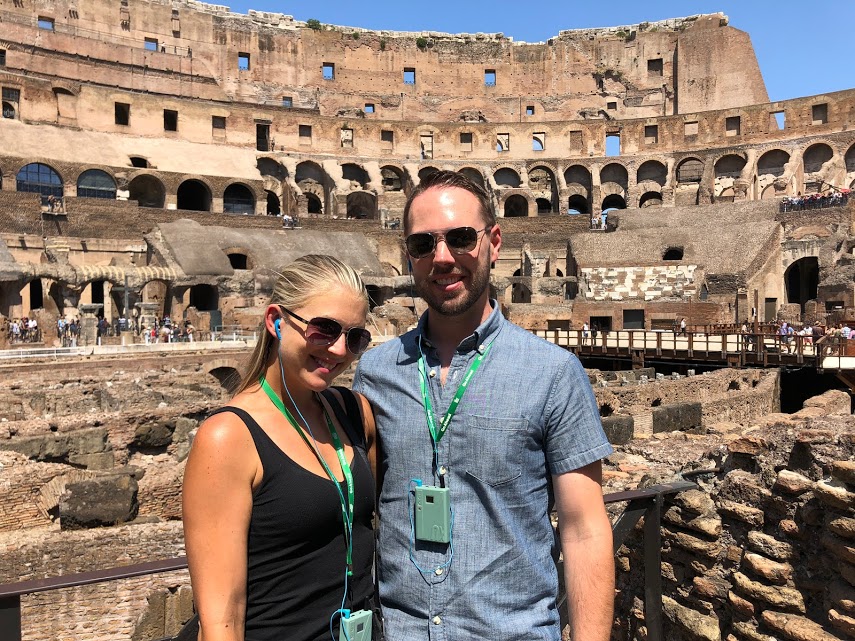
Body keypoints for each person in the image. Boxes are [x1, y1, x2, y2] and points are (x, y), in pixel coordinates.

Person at [353, 171, 614, 641]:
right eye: (422, 244)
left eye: (460, 238)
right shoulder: (375, 373)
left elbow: (584, 530)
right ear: (407, 256)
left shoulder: (553, 372)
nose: (443, 258)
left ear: (493, 241)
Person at [183, 255, 378, 641]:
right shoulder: (227, 438)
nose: (339, 350)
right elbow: (222, 621)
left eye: (355, 337)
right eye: (324, 329)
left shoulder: (355, 413)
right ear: (276, 321)